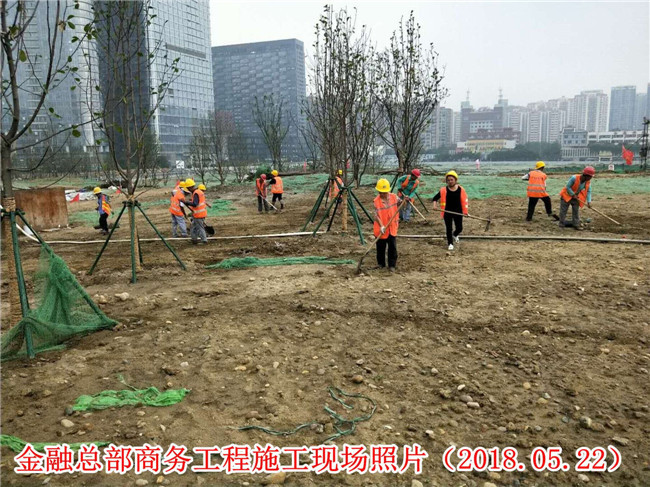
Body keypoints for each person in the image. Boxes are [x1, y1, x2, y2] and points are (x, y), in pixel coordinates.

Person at [432, 171, 468, 251]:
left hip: (458, 212)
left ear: (455, 180)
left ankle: (455, 234)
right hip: (447, 212)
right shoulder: (443, 190)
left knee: (459, 228)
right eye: (448, 180)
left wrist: (465, 212)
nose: (450, 181)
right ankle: (450, 243)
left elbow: (465, 201)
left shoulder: (461, 189)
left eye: (452, 180)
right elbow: (435, 198)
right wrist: (435, 205)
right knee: (449, 228)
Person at [373, 178, 402, 272]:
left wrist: (404, 201)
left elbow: (401, 204)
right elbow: (376, 216)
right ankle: (381, 264)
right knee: (380, 247)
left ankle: (392, 265)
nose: (382, 194)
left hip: (392, 227)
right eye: (380, 192)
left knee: (392, 247)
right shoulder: (376, 201)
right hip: (381, 228)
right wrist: (381, 226)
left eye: (384, 192)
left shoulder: (394, 197)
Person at [184, 178, 208, 244]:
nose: (188, 190)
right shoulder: (199, 192)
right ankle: (194, 239)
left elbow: (195, 204)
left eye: (188, 188)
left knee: (200, 228)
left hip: (199, 214)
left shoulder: (196, 193)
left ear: (190, 187)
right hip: (200, 213)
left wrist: (187, 202)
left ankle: (204, 240)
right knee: (193, 227)